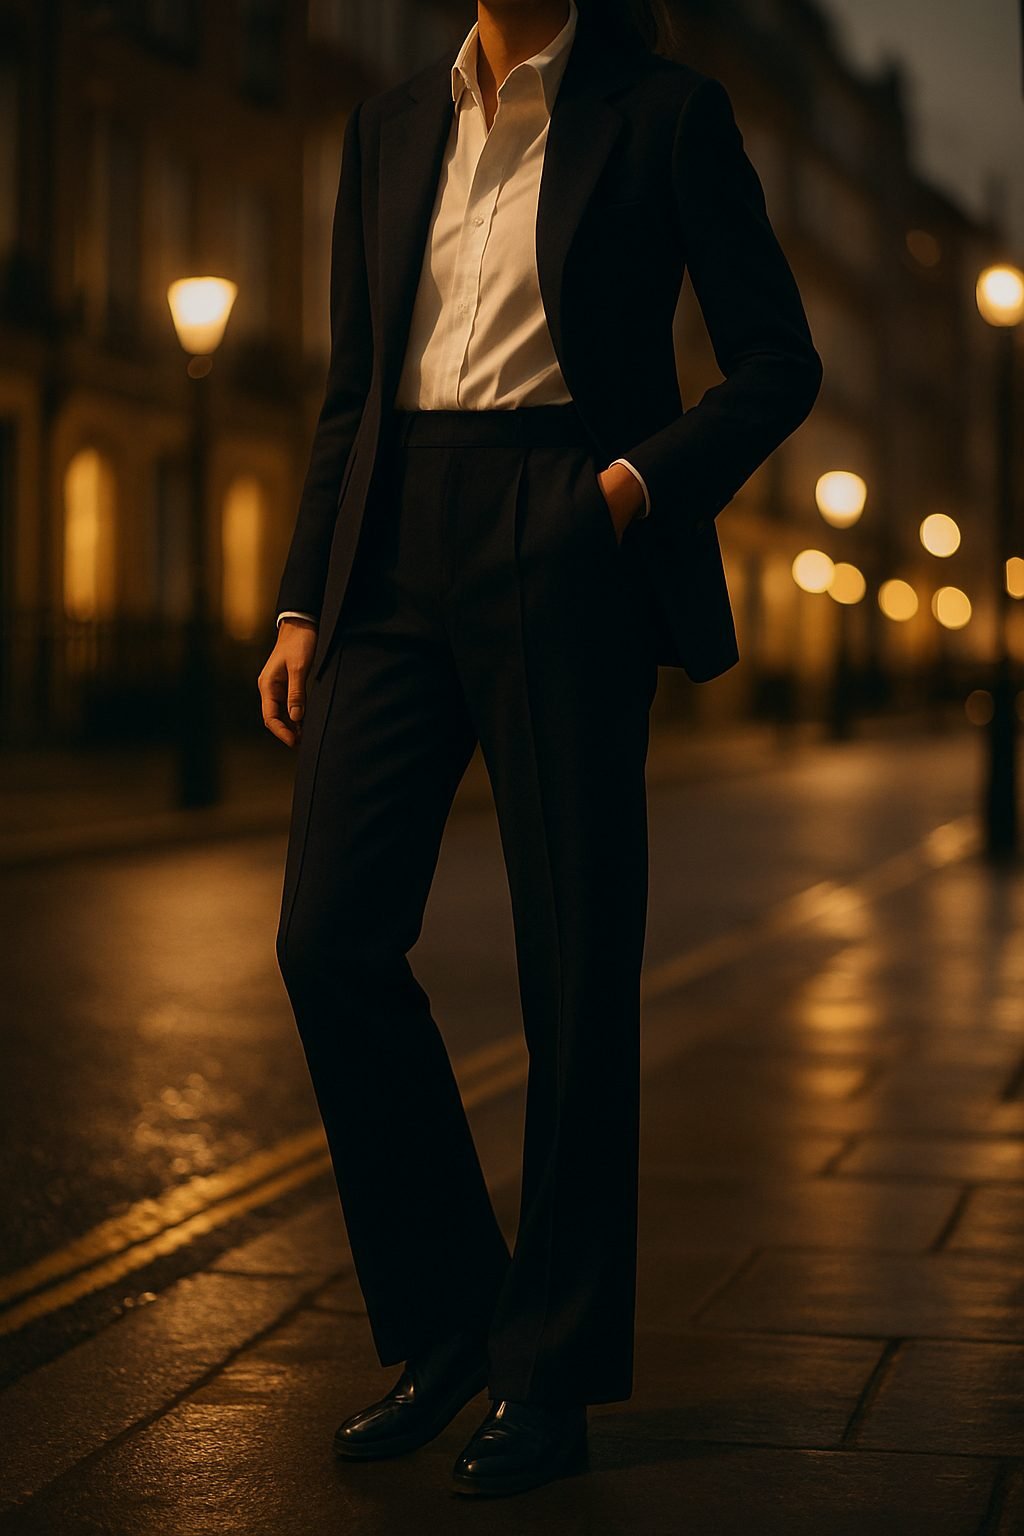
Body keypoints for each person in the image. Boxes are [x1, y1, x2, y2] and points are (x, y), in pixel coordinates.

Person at [259, 0, 822, 1499]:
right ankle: (451, 1317)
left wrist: (632, 486)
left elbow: (779, 362)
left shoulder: (667, 113)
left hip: (566, 524)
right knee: (326, 937)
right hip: (393, 548)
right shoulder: (389, 126)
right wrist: (306, 601)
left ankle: (551, 1369)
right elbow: (353, 385)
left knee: (574, 966)